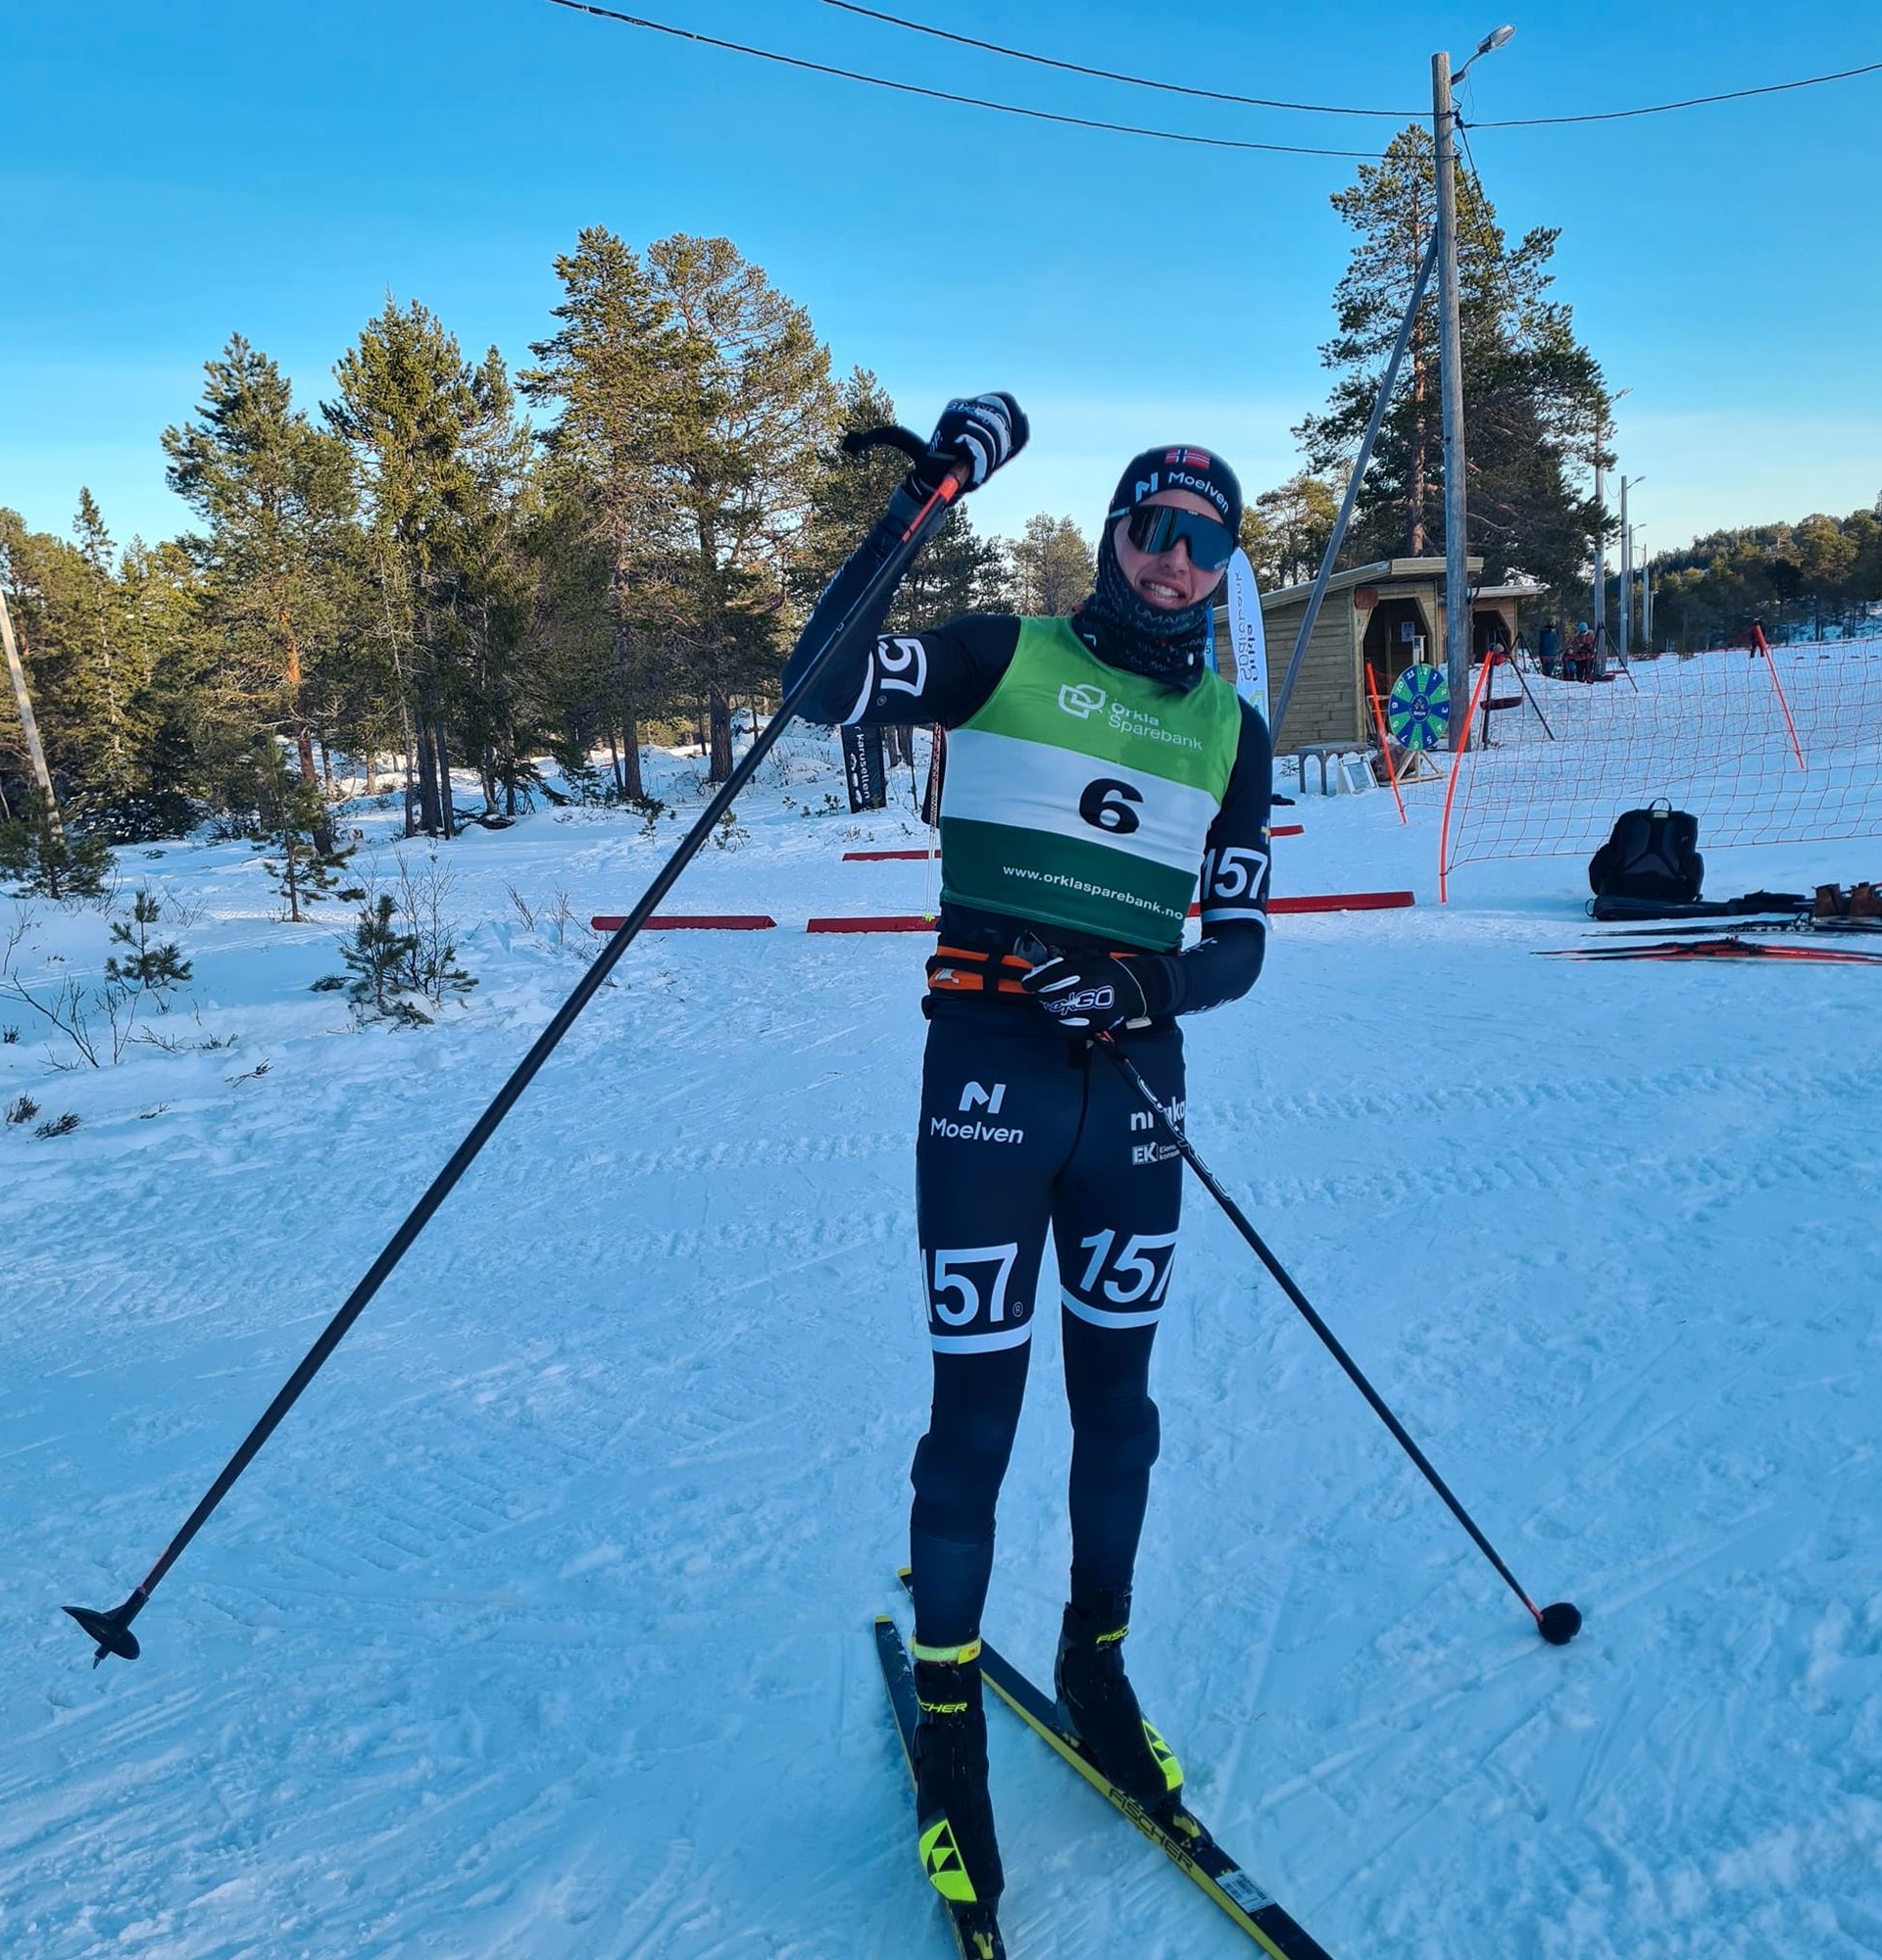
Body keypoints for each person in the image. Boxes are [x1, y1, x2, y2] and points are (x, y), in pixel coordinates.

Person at [782, 396, 1272, 1920]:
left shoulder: (1234, 730)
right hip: (987, 1083)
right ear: (1116, 535)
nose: (1175, 563)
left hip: (1134, 1093)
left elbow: (1239, 945)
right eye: (1153, 530)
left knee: (1118, 1407)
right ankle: (946, 1721)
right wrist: (924, 499)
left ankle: (1094, 1670)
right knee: (976, 1420)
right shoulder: (1006, 654)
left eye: (1204, 543)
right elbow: (817, 688)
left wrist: (1153, 983)